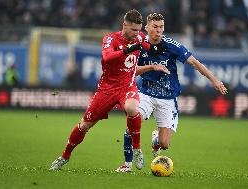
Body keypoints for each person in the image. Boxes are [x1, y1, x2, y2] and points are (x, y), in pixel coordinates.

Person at [49, 9, 167, 171]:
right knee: (85, 125)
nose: (136, 34)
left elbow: (146, 45)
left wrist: (152, 54)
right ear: (124, 25)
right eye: (133, 30)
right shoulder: (110, 38)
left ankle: (137, 149)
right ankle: (65, 156)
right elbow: (107, 57)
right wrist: (130, 49)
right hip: (107, 89)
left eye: (138, 30)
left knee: (133, 108)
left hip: (127, 86)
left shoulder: (139, 37)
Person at [115, 13, 228, 172]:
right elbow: (130, 70)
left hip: (168, 98)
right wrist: (151, 67)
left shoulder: (171, 45)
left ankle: (156, 140)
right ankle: (127, 165)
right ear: (147, 27)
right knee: (133, 121)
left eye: (161, 27)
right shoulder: (138, 45)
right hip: (146, 94)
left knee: (164, 144)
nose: (158, 30)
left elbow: (194, 63)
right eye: (155, 27)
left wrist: (214, 80)